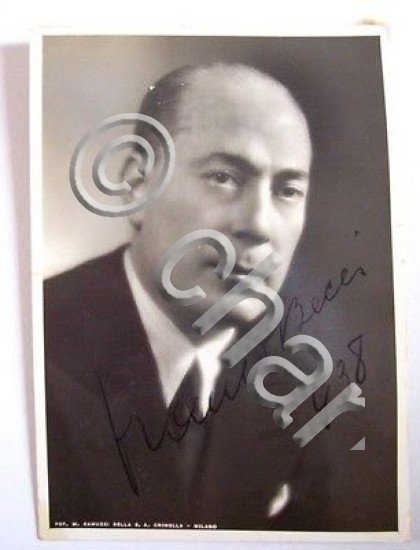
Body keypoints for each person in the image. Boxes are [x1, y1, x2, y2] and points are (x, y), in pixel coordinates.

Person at [44, 62, 335, 530]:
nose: (259, 225)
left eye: (287, 190)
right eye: (224, 177)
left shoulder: (299, 386)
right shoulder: (34, 343)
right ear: (137, 185)